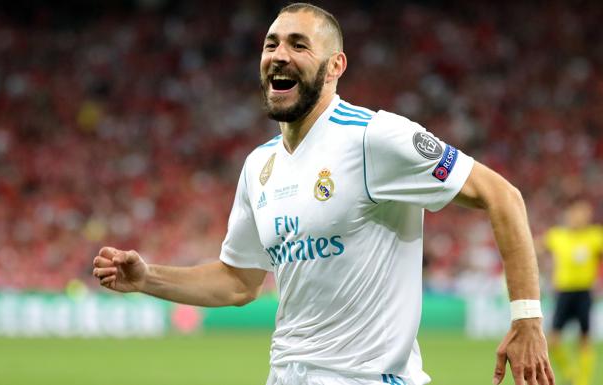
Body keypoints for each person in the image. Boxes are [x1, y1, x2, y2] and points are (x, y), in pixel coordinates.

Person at [93, 3, 555, 385]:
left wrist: (528, 319)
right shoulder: (260, 166)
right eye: (271, 43)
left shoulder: (374, 138)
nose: (279, 54)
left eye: (299, 44)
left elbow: (504, 196)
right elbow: (239, 283)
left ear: (336, 66)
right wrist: (147, 278)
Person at [543, 200, 602, 385]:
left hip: (584, 293)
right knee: (552, 340)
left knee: (584, 338)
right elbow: (535, 247)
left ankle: (583, 382)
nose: (578, 218)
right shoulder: (557, 236)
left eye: (583, 214)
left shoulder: (595, 236)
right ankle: (570, 374)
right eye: (575, 214)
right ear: (568, 216)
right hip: (563, 293)